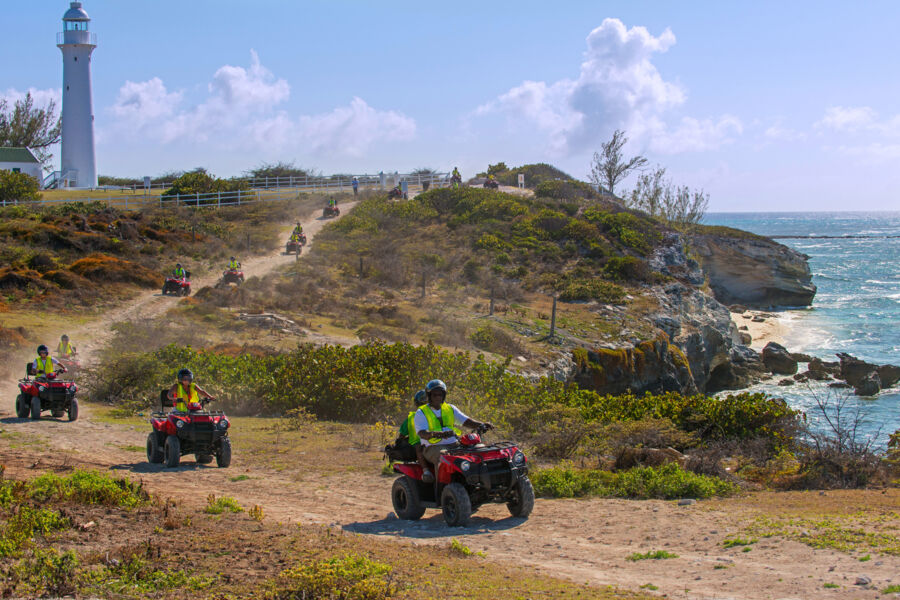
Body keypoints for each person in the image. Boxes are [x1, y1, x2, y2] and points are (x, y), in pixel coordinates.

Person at [414, 379, 493, 483]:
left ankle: (480, 482)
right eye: (435, 395)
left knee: (478, 451)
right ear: (429, 396)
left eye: (440, 395)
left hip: (455, 444)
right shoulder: (421, 412)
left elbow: (466, 421)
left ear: (444, 395)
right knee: (442, 458)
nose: (438, 397)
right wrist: (437, 434)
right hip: (432, 447)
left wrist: (482, 424)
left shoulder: (450, 408)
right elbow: (422, 434)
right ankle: (441, 490)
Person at [398, 390, 430, 475]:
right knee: (419, 448)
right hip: (423, 443)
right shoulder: (438, 414)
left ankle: (427, 471)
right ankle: (426, 471)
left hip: (427, 443)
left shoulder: (411, 418)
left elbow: (401, 435)